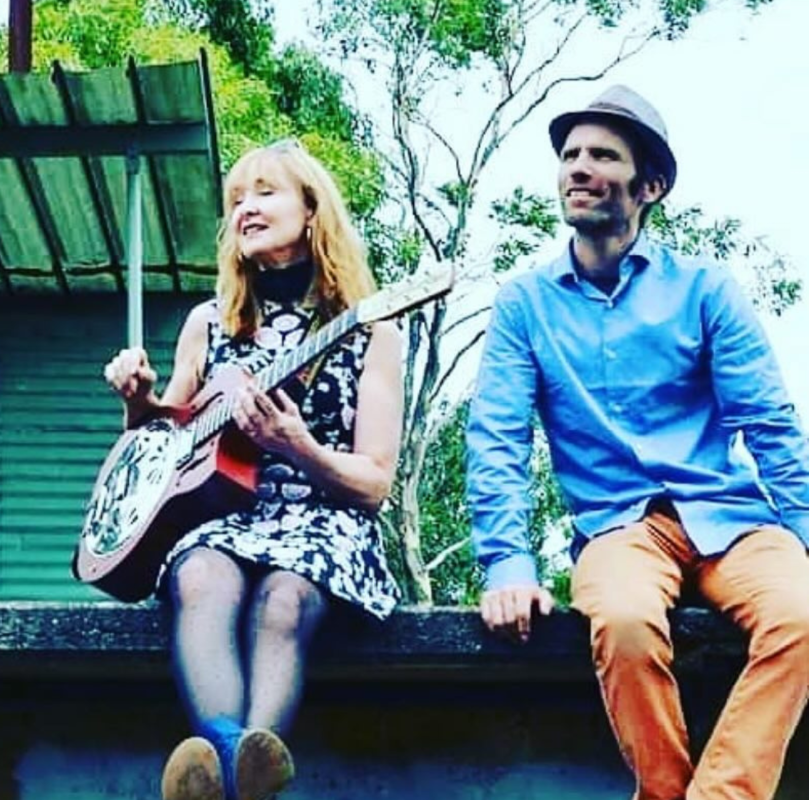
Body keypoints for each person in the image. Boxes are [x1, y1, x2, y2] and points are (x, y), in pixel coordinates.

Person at [466, 84, 809, 800]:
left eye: (602, 155)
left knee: (804, 613)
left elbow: (770, 423)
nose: (579, 168)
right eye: (570, 155)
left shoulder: (708, 289)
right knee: (621, 621)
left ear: (649, 185)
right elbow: (497, 439)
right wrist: (507, 563)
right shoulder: (525, 305)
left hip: (732, 518)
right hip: (618, 527)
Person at [104, 140, 404, 800]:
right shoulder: (207, 325)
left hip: (326, 521)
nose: (246, 208)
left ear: (311, 210)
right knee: (199, 574)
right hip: (226, 517)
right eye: (236, 199)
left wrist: (297, 445)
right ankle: (239, 765)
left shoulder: (371, 332)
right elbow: (163, 445)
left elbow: (375, 482)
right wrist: (138, 402)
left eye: (265, 192)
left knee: (284, 599)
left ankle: (229, 778)